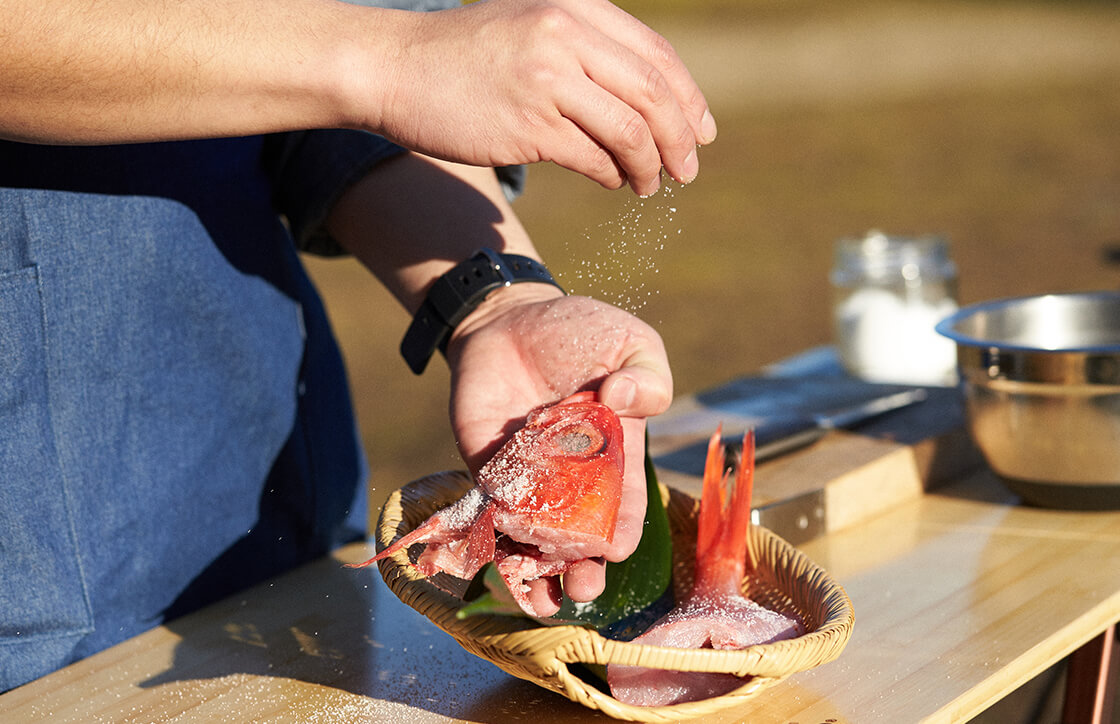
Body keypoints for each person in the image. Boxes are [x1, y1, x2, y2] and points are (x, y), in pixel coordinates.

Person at [0, 0, 713, 692]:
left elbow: (325, 92)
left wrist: (493, 300)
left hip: (277, 508)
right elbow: (366, 60)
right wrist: (395, 57)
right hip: (31, 600)